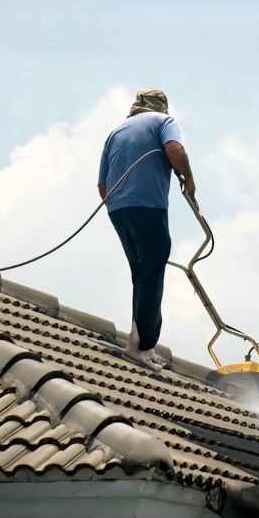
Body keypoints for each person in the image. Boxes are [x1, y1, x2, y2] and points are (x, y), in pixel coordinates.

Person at [98, 88, 196, 371]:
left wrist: (123, 206)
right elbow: (175, 149)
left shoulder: (115, 132)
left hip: (117, 208)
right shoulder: (164, 122)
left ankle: (140, 344)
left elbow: (102, 187)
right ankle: (141, 348)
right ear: (160, 107)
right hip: (148, 206)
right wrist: (188, 178)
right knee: (152, 273)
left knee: (141, 274)